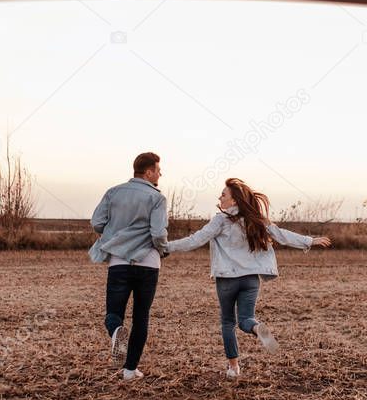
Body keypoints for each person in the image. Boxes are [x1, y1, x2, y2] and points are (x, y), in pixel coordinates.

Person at [165, 178, 331, 378]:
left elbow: (195, 240)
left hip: (227, 279)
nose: (220, 197)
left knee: (228, 322)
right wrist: (310, 241)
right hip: (251, 280)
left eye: (224, 194)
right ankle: (256, 327)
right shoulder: (255, 219)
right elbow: (281, 234)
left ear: (234, 201)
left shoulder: (220, 220)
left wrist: (166, 247)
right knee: (246, 319)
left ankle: (233, 368)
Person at [89, 152, 168, 381]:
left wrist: (116, 233)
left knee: (113, 313)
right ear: (148, 172)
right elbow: (158, 234)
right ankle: (130, 369)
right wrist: (163, 249)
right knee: (141, 316)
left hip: (119, 262)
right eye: (158, 170)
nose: (160, 174)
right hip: (148, 264)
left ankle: (116, 332)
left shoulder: (114, 192)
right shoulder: (157, 198)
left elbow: (97, 223)